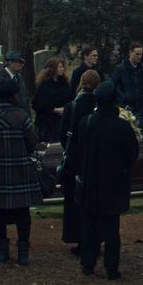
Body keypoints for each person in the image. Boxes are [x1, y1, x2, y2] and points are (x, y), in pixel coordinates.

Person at [68, 81, 139, 280]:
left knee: (89, 225)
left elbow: (78, 150)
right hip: (113, 183)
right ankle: (111, 267)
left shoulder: (86, 122)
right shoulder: (122, 126)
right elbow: (132, 154)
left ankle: (88, 264)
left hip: (90, 182)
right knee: (111, 229)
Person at [0, 78, 43, 265]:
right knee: (23, 213)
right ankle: (23, 252)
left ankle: (2, 250)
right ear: (13, 96)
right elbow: (32, 142)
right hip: (20, 169)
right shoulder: (21, 116)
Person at [59, 69, 101, 254]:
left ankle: (78, 238)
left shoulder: (71, 107)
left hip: (75, 160)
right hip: (95, 160)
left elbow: (63, 136)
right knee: (95, 202)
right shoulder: (100, 106)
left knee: (75, 202)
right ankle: (95, 239)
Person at [111, 42, 143, 135]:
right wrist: (123, 97)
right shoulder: (120, 69)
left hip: (141, 107)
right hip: (126, 109)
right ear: (130, 53)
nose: (140, 56)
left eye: (141, 54)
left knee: (141, 135)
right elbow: (114, 86)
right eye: (137, 54)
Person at [32, 57, 74, 143]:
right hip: (48, 123)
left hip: (62, 121)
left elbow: (70, 99)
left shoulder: (64, 83)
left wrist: (66, 108)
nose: (62, 69)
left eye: (62, 67)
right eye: (60, 67)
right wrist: (53, 109)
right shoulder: (44, 85)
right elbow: (37, 104)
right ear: (53, 69)